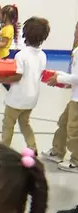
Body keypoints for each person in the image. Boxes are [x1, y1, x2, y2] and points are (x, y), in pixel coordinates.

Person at [0, 17, 49, 152]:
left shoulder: (21, 55)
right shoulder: (43, 55)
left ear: (25, 34)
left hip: (17, 99)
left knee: (8, 124)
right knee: (25, 124)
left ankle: (4, 150)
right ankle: (32, 147)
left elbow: (17, 76)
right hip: (32, 98)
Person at [42, 22, 78, 173]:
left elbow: (76, 78)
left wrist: (59, 79)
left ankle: (76, 160)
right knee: (64, 122)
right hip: (74, 98)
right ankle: (58, 151)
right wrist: (60, 75)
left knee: (74, 129)